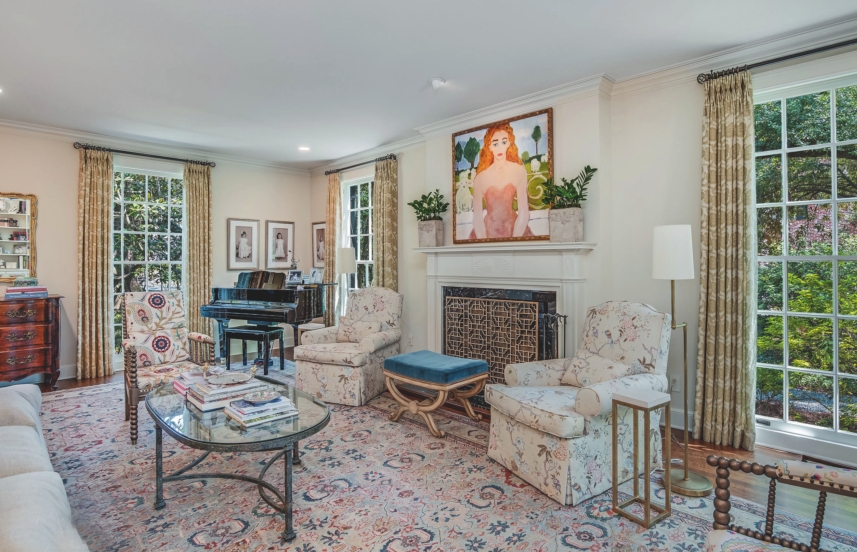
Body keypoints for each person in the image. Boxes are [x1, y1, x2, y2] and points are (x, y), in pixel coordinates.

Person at [470, 123, 532, 240]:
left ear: (509, 143)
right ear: (489, 146)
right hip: (487, 231)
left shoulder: (519, 171)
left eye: (504, 142)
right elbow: (477, 217)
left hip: (514, 229)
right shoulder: (480, 178)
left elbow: (524, 213)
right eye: (495, 144)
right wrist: (483, 242)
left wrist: (514, 240)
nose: (500, 148)